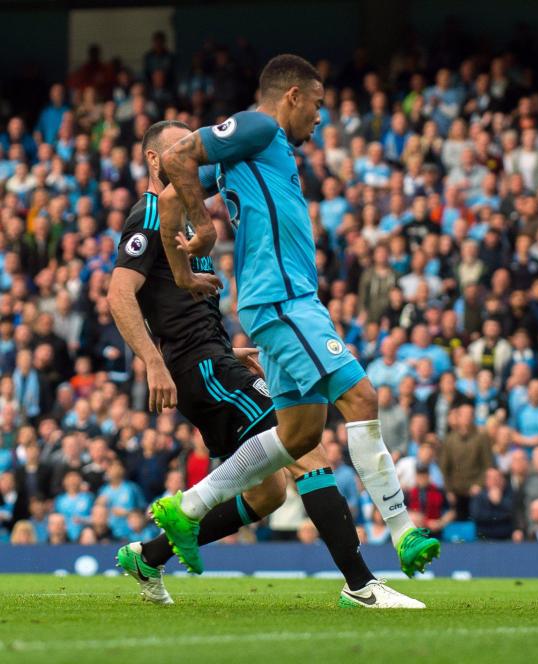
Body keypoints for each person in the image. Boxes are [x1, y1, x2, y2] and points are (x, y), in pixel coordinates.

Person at [108, 119, 420, 608]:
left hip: (212, 362)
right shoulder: (148, 215)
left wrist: (228, 353)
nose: (193, 156)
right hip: (199, 369)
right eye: (179, 149)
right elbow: (119, 292)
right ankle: (361, 584)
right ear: (154, 160)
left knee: (268, 494)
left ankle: (149, 556)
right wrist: (153, 362)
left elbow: (179, 311)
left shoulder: (182, 221)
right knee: (305, 447)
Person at [153, 54, 439, 586]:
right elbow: (176, 156)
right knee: (362, 399)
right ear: (292, 96)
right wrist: (203, 229)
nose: (320, 116)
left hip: (282, 301)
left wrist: (184, 273)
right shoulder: (258, 126)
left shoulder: (250, 152)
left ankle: (189, 506)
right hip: (284, 300)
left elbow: (170, 192)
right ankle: (403, 531)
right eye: (318, 104)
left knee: (299, 435)